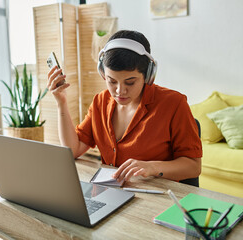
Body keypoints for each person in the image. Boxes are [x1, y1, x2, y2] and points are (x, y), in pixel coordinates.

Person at [47, 30, 202, 183]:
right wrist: (61, 103)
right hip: (111, 191)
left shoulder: (174, 104)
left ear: (148, 76)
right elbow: (73, 150)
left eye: (130, 82)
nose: (120, 91)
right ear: (102, 73)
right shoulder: (100, 102)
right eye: (111, 81)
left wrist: (152, 167)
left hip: (158, 197)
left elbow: (193, 167)